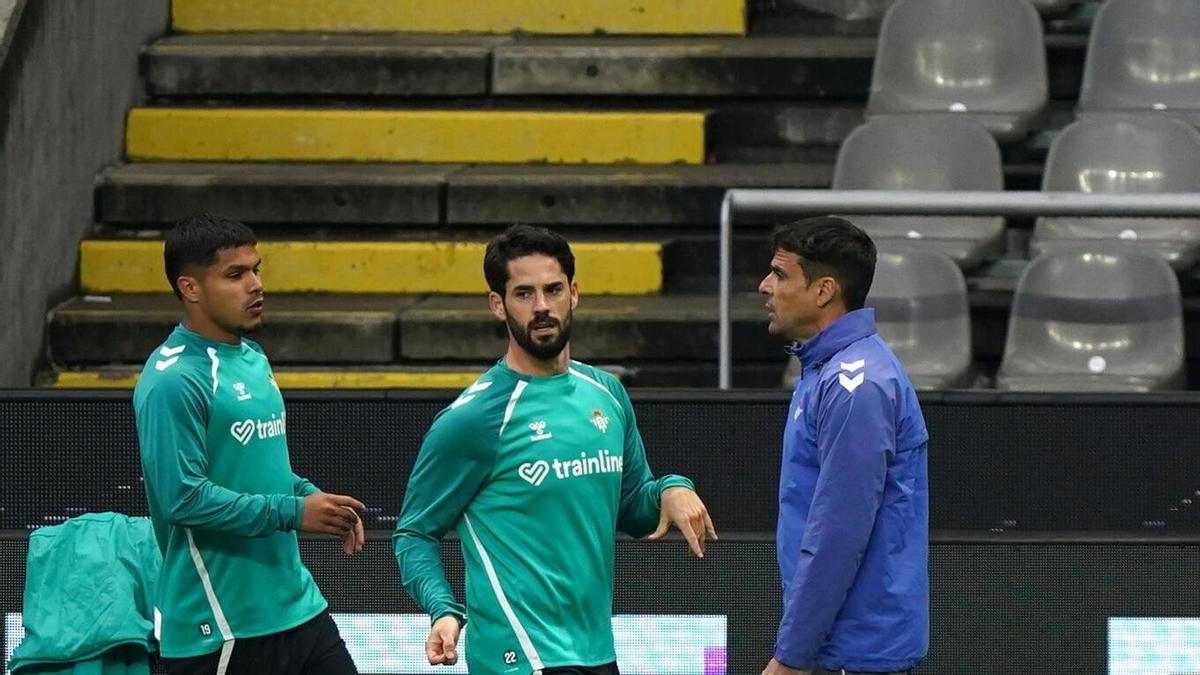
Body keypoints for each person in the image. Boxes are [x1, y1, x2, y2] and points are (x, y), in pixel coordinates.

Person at [394, 224, 717, 674]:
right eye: (523, 293)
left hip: (596, 652)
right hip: (517, 658)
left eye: (553, 289)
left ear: (575, 293)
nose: (542, 306)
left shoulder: (606, 393)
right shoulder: (473, 419)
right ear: (497, 305)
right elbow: (414, 534)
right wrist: (443, 610)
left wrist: (670, 489)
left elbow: (634, 510)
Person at [133, 213, 365, 675]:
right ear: (190, 288)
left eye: (257, 269)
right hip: (221, 628)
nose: (255, 285)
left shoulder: (253, 357)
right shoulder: (173, 381)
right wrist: (294, 513)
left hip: (297, 607)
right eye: (235, 275)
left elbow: (259, 469)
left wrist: (307, 495)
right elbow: (182, 497)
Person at [757, 217, 929, 675]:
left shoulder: (857, 385)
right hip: (843, 650)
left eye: (780, 274)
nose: (765, 286)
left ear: (824, 290)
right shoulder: (828, 372)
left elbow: (838, 531)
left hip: (856, 656)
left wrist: (790, 657)